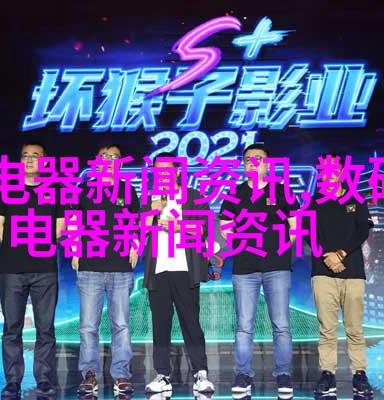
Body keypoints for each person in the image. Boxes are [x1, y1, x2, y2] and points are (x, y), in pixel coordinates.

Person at [219, 144, 298, 400]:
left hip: (277, 268)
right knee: (244, 325)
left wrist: (281, 248)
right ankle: (243, 374)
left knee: (281, 324)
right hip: (245, 269)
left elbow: (295, 226)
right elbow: (225, 227)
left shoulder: (282, 191)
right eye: (248, 159)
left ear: (267, 164)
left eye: (258, 158)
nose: (252, 163)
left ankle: (283, 374)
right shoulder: (235, 193)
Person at [0, 142, 65, 399]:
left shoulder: (55, 190)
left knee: (46, 328)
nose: (30, 160)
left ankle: (44, 380)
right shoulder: (6, 189)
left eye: (36, 156)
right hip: (12, 268)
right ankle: (12, 382)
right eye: (25, 155)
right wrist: (19, 247)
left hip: (44, 268)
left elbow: (60, 226)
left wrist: (39, 246)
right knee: (12, 328)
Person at [141, 154, 214, 395]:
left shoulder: (193, 196)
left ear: (177, 171)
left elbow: (204, 229)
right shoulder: (151, 200)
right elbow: (138, 230)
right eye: (157, 170)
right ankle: (162, 374)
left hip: (185, 268)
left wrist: (178, 226)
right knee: (160, 324)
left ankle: (201, 373)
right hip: (158, 270)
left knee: (191, 323)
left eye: (166, 169)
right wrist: (151, 213)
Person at [71, 143, 139, 396]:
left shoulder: (127, 190)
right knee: (88, 325)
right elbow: (74, 220)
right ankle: (89, 374)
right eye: (104, 157)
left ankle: (121, 374)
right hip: (90, 265)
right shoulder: (84, 189)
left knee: (121, 324)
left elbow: (135, 222)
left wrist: (135, 246)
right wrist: (75, 249)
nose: (109, 161)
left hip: (120, 266)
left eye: (114, 157)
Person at [306, 155, 374, 397]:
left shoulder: (356, 199)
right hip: (323, 273)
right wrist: (327, 257)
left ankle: (359, 374)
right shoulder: (313, 202)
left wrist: (341, 254)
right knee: (327, 328)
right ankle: (328, 374)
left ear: (343, 172)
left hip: (353, 273)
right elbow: (308, 233)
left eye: (334, 168)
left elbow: (362, 231)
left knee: (354, 327)